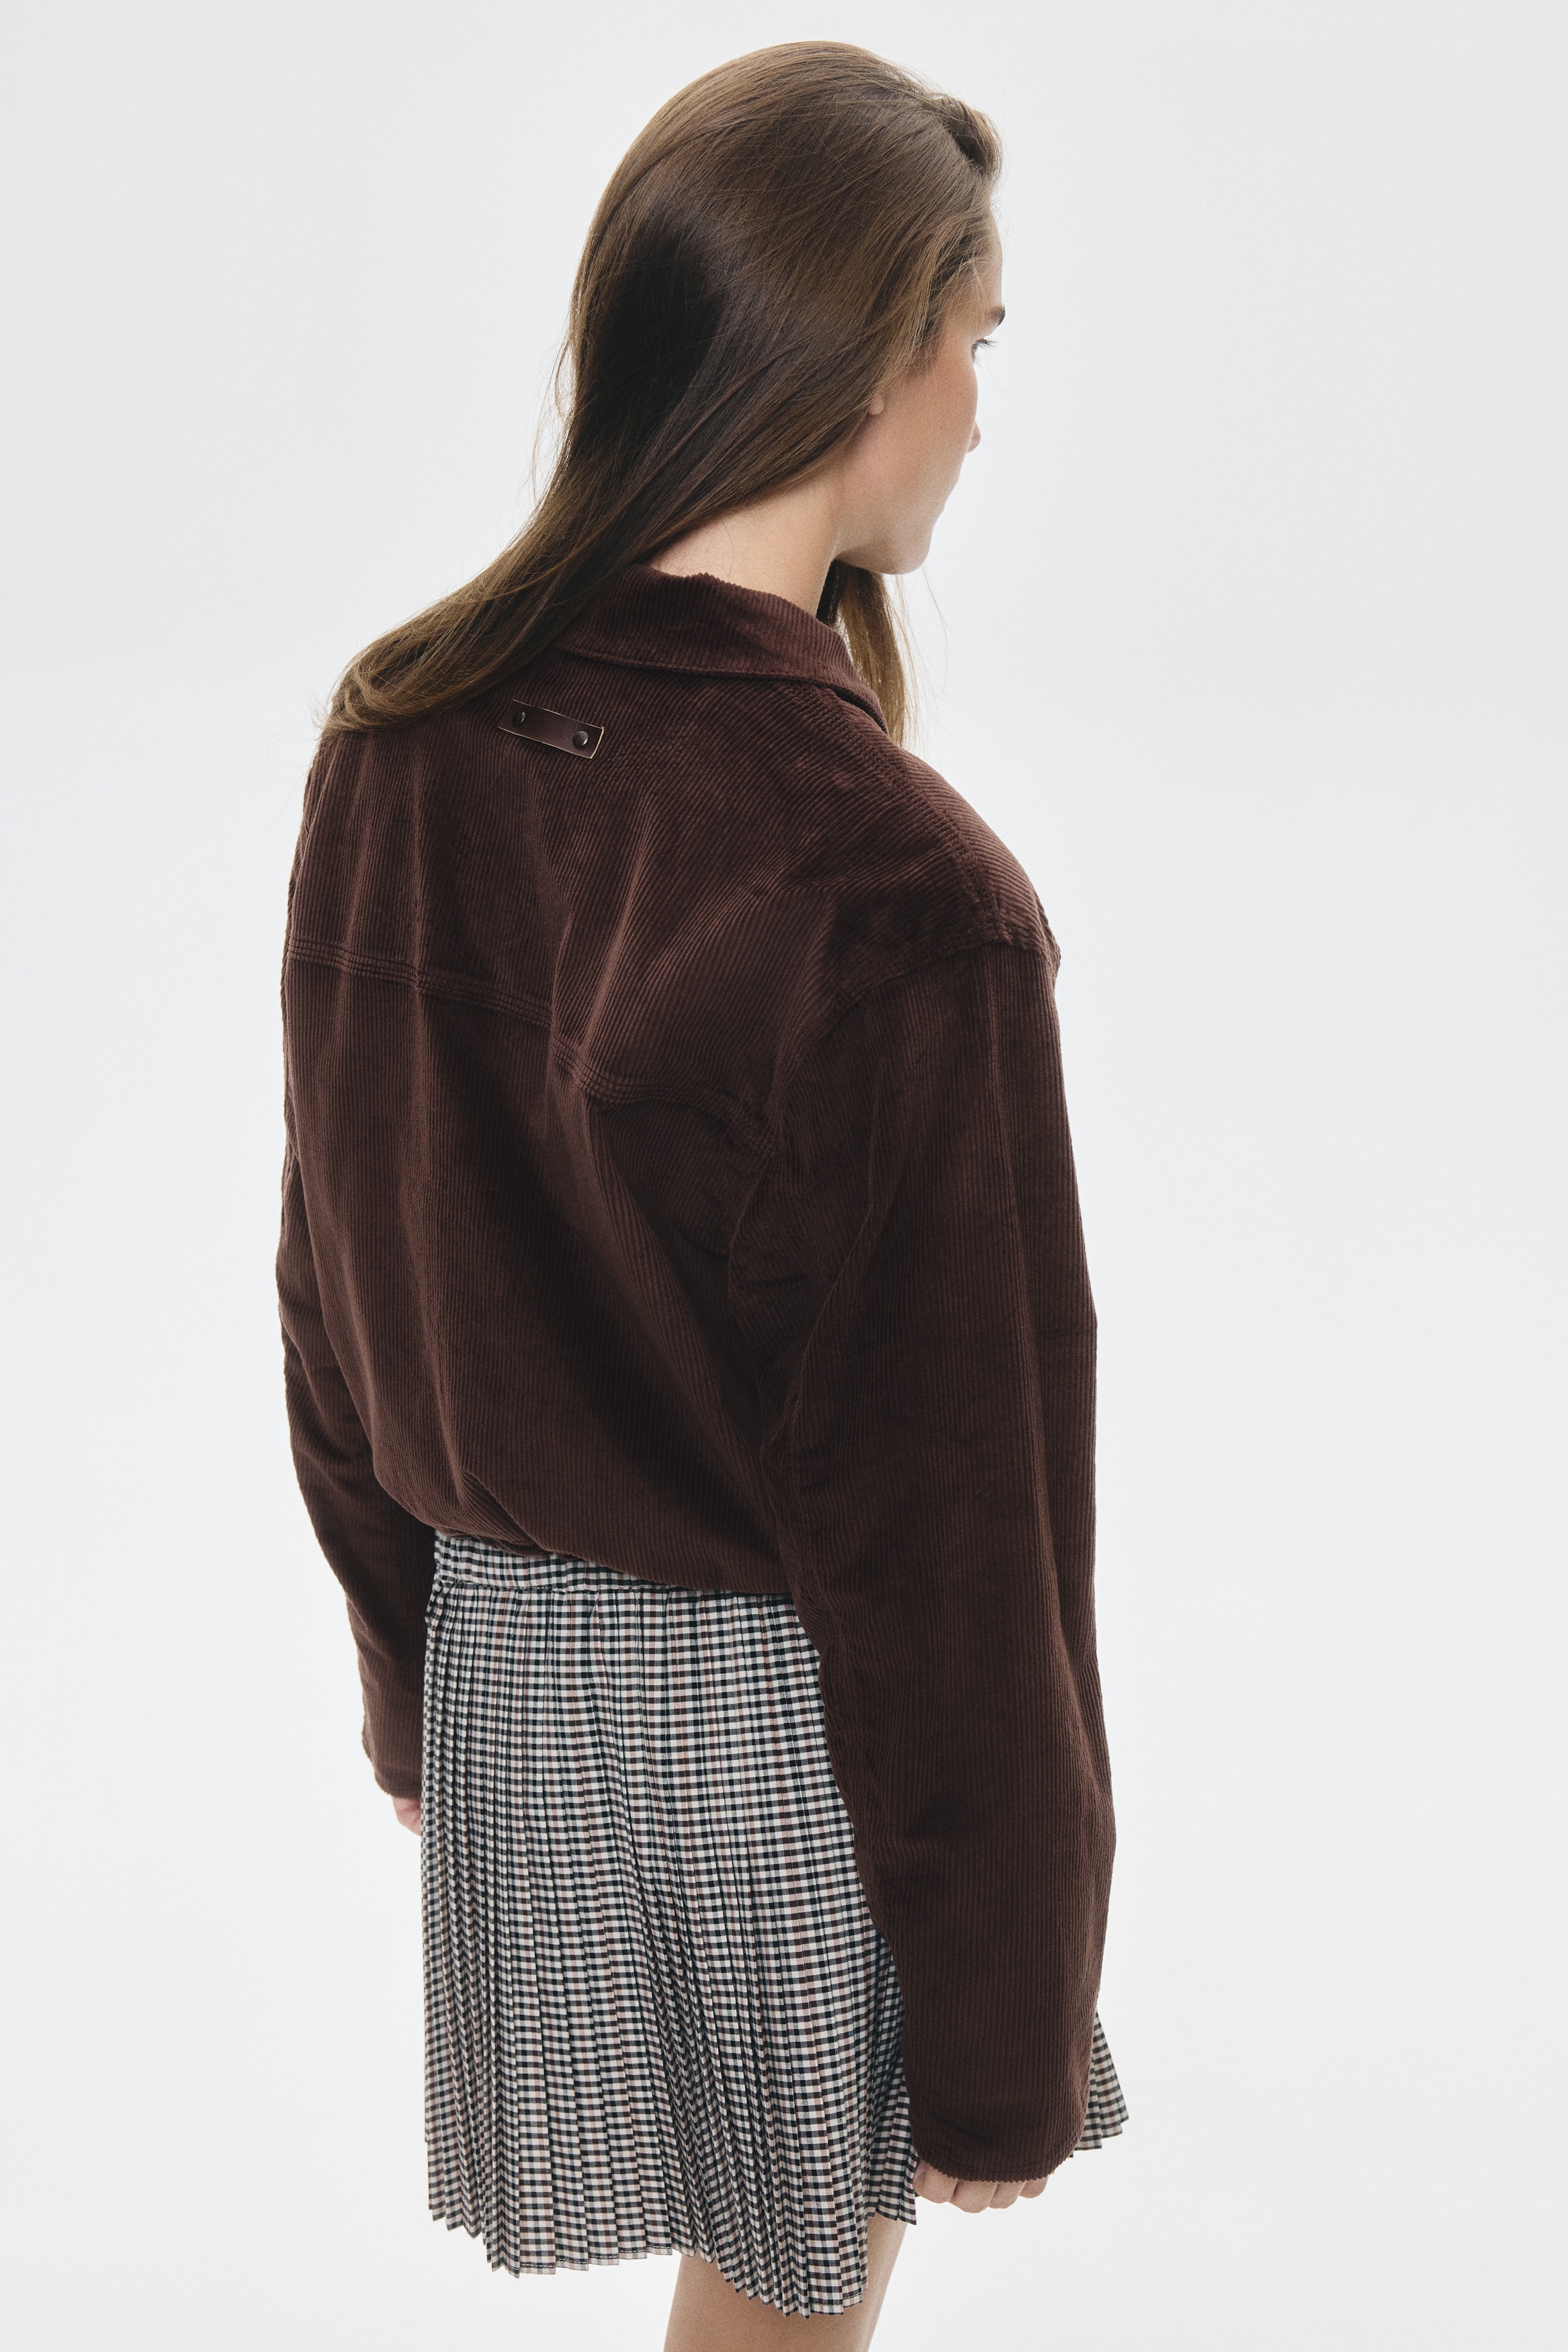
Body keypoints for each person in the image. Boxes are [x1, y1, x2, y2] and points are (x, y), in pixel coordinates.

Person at [277, 40, 1125, 2349]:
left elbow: (335, 1282)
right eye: (976, 341)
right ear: (865, 358)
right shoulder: (898, 885)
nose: (983, 410)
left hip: (522, 1673)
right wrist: (1006, 2013)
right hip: (787, 1712)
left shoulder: (401, 736)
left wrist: (416, 1679)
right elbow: (952, 1506)